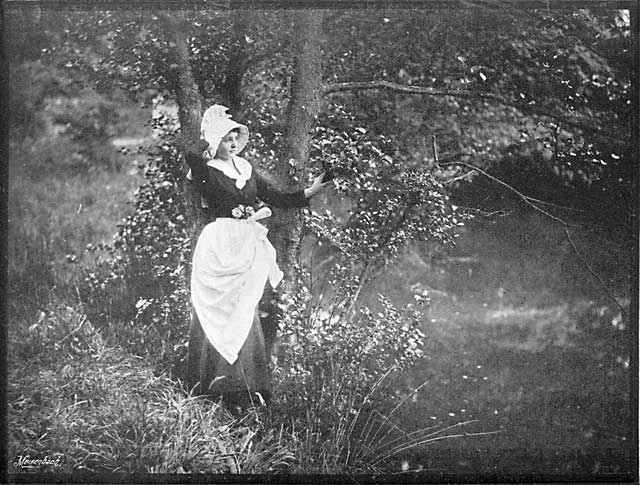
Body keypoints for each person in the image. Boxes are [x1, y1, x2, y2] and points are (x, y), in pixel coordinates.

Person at [184, 105, 326, 409]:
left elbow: (276, 198)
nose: (232, 144)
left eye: (235, 137)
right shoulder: (206, 171)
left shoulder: (246, 169)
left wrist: (310, 192)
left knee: (244, 307)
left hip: (245, 246)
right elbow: (193, 155)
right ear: (214, 140)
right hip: (218, 245)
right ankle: (207, 383)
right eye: (225, 138)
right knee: (215, 309)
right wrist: (208, 136)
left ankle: (244, 386)